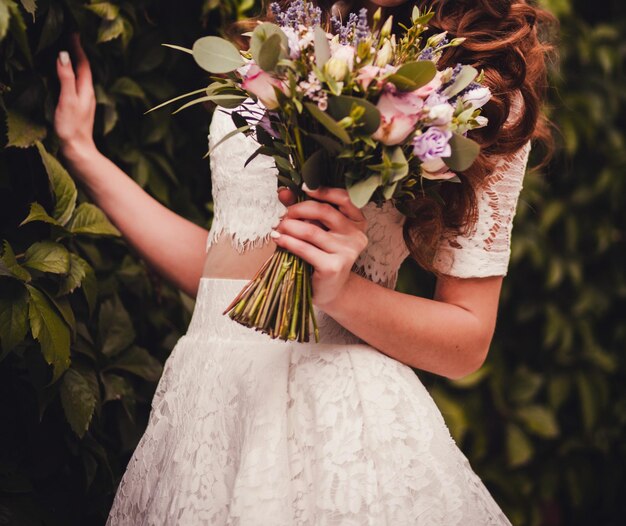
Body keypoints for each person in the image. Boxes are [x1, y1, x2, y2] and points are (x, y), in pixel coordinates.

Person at [54, 0, 553, 524]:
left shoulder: (483, 86)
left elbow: (468, 340)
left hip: (342, 427)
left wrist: (343, 293)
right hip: (209, 403)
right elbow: (227, 272)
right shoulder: (291, 21)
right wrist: (83, 155)